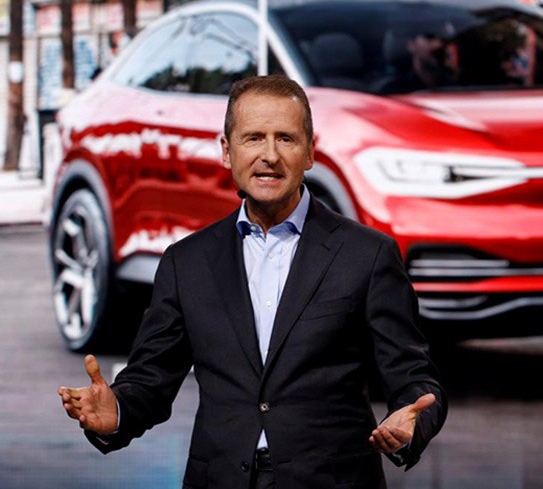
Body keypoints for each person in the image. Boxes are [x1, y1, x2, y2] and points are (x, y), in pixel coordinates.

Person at [58, 75, 447, 488]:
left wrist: (413, 420)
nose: (270, 155)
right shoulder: (186, 263)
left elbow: (414, 377)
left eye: (286, 139)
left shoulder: (367, 255)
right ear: (227, 151)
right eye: (253, 138)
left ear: (311, 151)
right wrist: (115, 411)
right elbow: (151, 380)